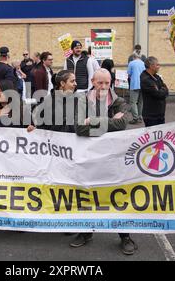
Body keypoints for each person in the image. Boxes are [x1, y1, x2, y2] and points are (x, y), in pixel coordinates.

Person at [72, 69, 137, 255]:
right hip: (89, 156)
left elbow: (122, 124)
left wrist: (92, 120)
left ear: (111, 82)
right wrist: (109, 122)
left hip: (113, 157)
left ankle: (125, 236)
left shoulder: (119, 101)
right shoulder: (82, 100)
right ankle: (85, 232)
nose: (103, 87)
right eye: (99, 83)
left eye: (107, 83)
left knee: (118, 195)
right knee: (87, 194)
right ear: (92, 81)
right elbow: (78, 128)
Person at [140, 56, 168, 127]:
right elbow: (158, 94)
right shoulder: (145, 79)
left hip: (160, 114)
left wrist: (163, 89)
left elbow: (166, 89)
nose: (159, 67)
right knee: (152, 137)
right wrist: (163, 89)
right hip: (151, 116)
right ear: (151, 66)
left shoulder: (156, 77)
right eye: (157, 65)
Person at [127, 53, 145, 124]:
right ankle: (140, 117)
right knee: (141, 102)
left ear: (133, 57)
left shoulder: (131, 63)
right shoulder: (143, 63)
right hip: (142, 84)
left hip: (134, 84)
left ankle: (135, 118)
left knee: (133, 102)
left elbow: (129, 74)